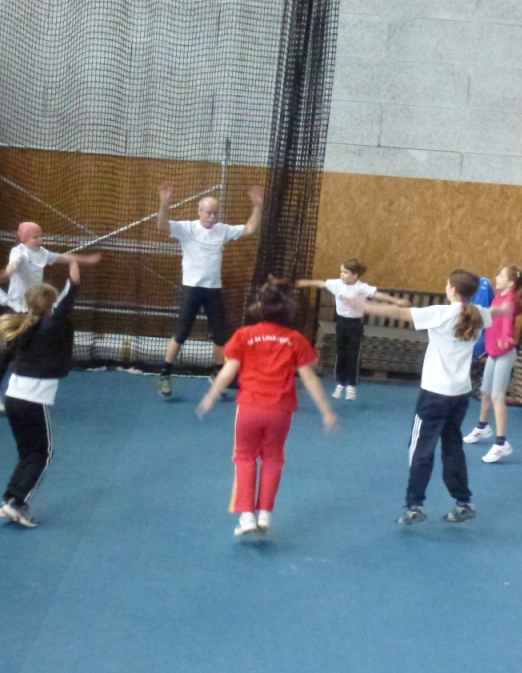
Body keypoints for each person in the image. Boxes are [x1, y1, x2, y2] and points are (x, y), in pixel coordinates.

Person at [349, 270, 492, 525]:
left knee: (420, 449)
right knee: (452, 446)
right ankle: (464, 502)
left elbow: (401, 314)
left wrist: (367, 306)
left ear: (453, 290)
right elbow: (499, 312)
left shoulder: (442, 313)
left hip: (435, 394)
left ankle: (414, 506)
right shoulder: (480, 313)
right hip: (460, 394)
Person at [198, 278, 337, 537]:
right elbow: (309, 378)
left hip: (250, 408)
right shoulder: (295, 339)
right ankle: (265, 514)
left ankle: (247, 517)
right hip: (281, 411)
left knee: (244, 458)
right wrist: (326, 411)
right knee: (273, 459)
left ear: (259, 307)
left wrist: (211, 396)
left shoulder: (244, 335)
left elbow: (228, 371)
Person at [0, 257, 88, 528]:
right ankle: (17, 504)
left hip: (13, 397)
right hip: (34, 401)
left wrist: (73, 281)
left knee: (28, 454)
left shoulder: (26, 323)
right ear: (50, 304)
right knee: (43, 453)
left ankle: (10, 498)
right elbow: (65, 306)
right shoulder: (51, 325)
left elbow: (62, 306)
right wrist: (74, 280)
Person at [157, 183, 264, 398]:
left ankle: (217, 374)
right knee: (181, 333)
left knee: (220, 336)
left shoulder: (222, 230)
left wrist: (258, 206)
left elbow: (250, 229)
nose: (212, 217)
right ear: (200, 212)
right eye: (208, 213)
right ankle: (166, 372)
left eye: (215, 213)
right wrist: (164, 204)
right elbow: (162, 226)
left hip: (213, 291)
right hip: (192, 290)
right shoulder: (187, 228)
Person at [0, 221, 94, 413]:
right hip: (17, 309)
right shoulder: (18, 251)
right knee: (10, 351)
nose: (40, 239)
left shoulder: (43, 253)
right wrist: (8, 271)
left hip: (35, 309)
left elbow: (64, 258)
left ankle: (30, 391)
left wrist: (86, 260)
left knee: (33, 348)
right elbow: (13, 264)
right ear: (25, 238)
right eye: (35, 237)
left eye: (41, 236)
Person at [297, 259, 407, 401]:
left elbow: (378, 295)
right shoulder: (337, 284)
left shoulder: (361, 287)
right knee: (341, 352)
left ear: (354, 275)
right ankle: (341, 383)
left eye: (345, 272)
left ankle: (351, 385)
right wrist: (304, 282)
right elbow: (320, 283)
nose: (341, 274)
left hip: (355, 324)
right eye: (341, 271)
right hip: (341, 323)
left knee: (353, 354)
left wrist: (396, 301)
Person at [464, 265, 522, 462]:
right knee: (485, 392)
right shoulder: (498, 298)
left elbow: (508, 321)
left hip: (505, 353)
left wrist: (507, 337)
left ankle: (501, 443)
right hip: (494, 352)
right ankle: (483, 427)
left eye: (501, 275)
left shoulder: (509, 300)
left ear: (510, 283)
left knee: (497, 396)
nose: (496, 277)